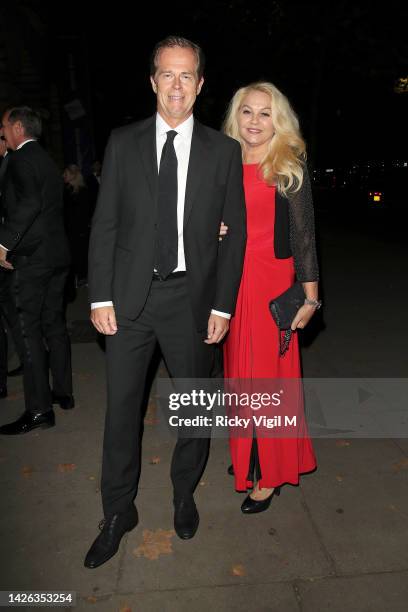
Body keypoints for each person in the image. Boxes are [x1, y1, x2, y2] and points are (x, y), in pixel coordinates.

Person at [85, 36, 246, 569]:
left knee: (195, 409)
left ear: (200, 85)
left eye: (187, 76)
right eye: (167, 75)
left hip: (191, 300)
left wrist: (222, 306)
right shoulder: (123, 142)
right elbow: (105, 222)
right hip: (130, 301)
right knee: (121, 413)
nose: (176, 86)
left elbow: (236, 234)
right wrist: (100, 293)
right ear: (152, 80)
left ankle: (183, 493)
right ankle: (116, 511)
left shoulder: (223, 152)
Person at [222, 82, 319, 513]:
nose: (255, 121)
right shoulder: (221, 162)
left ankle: (269, 470)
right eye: (248, 111)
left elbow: (304, 235)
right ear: (235, 117)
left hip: (272, 282)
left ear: (277, 119)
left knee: (267, 379)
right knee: (238, 375)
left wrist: (310, 296)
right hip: (230, 281)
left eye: (265, 113)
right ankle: (248, 451)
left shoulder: (287, 164)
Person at [0, 106, 74, 436]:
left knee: (28, 332)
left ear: (17, 127)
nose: (3, 133)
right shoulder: (45, 158)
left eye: (4, 126)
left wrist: (4, 244)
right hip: (57, 257)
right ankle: (63, 391)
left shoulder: (18, 159)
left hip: (34, 259)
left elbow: (29, 205)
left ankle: (39, 409)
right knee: (53, 323)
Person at [63, 164, 90, 289]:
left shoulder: (84, 192)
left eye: (66, 173)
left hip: (80, 230)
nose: (63, 176)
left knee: (80, 254)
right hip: (69, 230)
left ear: (73, 175)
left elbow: (85, 213)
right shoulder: (66, 190)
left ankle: (82, 278)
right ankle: (74, 279)